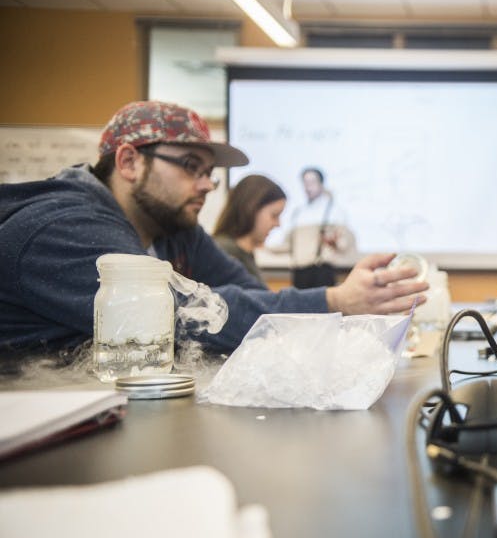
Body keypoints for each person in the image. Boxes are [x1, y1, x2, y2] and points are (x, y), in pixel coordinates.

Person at [0, 100, 427, 355]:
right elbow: (190, 316)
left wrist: (340, 303)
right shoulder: (60, 227)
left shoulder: (173, 229)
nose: (207, 185)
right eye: (190, 167)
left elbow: (250, 299)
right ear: (129, 162)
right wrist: (336, 299)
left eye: (209, 172)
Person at [280, 167, 356, 289]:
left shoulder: (334, 211)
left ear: (321, 184)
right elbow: (287, 244)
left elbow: (344, 245)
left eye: (312, 182)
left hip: (321, 271)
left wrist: (334, 243)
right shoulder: (299, 212)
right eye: (305, 183)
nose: (307, 187)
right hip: (299, 271)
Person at [212, 174, 287, 284]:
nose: (278, 224)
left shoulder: (245, 253)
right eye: (274, 215)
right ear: (251, 209)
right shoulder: (225, 252)